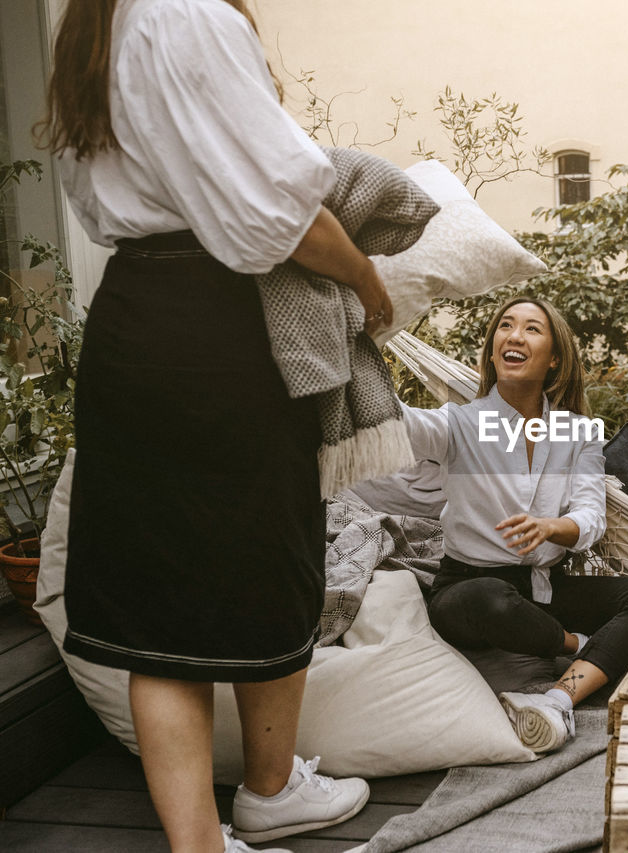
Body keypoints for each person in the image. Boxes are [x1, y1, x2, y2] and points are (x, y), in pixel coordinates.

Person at [41, 1, 391, 851]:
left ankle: (205, 837)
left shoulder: (95, 25)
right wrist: (371, 289)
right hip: (220, 322)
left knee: (158, 608)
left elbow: (98, 204)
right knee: (274, 550)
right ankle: (267, 793)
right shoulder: (190, 12)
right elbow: (289, 216)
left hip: (132, 319)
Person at [400, 297, 628, 754]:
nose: (514, 335)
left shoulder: (579, 432)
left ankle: (557, 699)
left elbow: (591, 517)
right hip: (471, 590)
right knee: (488, 598)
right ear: (492, 352)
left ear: (555, 357)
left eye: (531, 329)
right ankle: (580, 646)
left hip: (546, 589)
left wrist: (552, 527)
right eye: (505, 326)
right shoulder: (458, 423)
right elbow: (400, 422)